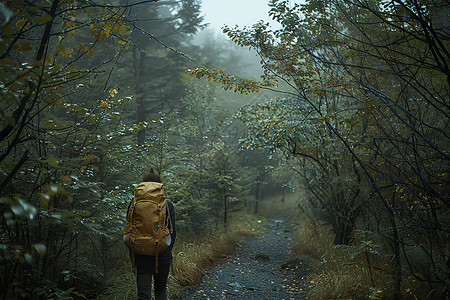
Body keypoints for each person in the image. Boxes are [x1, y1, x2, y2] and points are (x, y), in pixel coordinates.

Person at [124, 167, 176, 300]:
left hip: (140, 254)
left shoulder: (134, 202)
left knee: (143, 295)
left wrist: (133, 251)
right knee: (160, 291)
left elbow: (129, 228)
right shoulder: (167, 203)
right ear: (159, 185)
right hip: (162, 254)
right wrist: (166, 250)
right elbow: (172, 232)